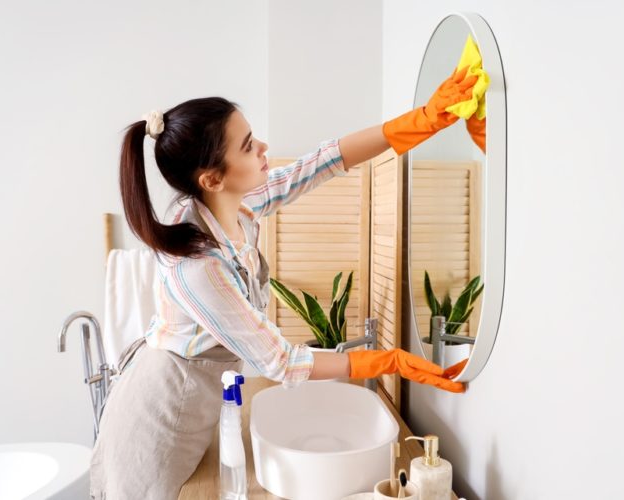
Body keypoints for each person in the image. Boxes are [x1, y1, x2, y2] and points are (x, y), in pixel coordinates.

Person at [89, 65, 482, 500]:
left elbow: (316, 166)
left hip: (195, 399)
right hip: (159, 414)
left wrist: (418, 120)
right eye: (247, 145)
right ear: (212, 179)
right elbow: (282, 363)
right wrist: (384, 361)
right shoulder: (198, 266)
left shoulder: (233, 203)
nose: (263, 148)